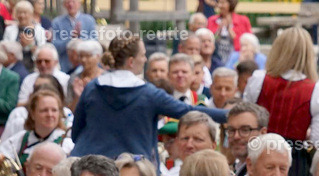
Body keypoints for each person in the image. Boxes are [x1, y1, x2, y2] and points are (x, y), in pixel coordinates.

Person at [71, 35, 227, 167]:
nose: (145, 59)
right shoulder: (148, 93)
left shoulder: (92, 88)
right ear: (131, 61)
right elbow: (187, 111)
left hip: (90, 166)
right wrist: (230, 115)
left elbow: (76, 133)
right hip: (135, 171)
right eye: (143, 55)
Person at [242, 27, 319, 176]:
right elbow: (317, 142)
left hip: (259, 156)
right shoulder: (318, 90)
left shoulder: (259, 80)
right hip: (294, 164)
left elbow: (244, 122)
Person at [0, 89, 72, 166]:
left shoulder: (66, 143)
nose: (50, 114)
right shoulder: (21, 139)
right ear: (32, 114)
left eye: (54, 110)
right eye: (44, 110)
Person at [226, 100, 268, 176]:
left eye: (245, 130)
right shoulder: (235, 168)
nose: (236, 136)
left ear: (262, 133)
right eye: (231, 130)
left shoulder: (267, 174)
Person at [51, 0, 97, 72]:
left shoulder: (89, 20)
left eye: (73, 1)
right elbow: (55, 46)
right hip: (64, 67)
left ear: (79, 3)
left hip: (85, 67)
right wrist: (71, 39)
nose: (70, 4)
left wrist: (81, 37)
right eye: (68, 2)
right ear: (64, 5)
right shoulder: (57, 22)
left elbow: (95, 43)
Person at [3, 0, 46, 73]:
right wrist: (19, 46)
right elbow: (4, 51)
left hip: (34, 69)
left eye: (25, 13)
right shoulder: (9, 30)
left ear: (31, 14)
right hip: (13, 70)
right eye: (19, 12)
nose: (22, 16)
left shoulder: (39, 30)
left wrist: (30, 45)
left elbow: (43, 52)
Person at [66, 39, 104, 108]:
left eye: (88, 56)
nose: (83, 60)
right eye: (81, 56)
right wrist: (78, 96)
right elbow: (69, 110)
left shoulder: (106, 78)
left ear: (98, 57)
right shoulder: (74, 79)